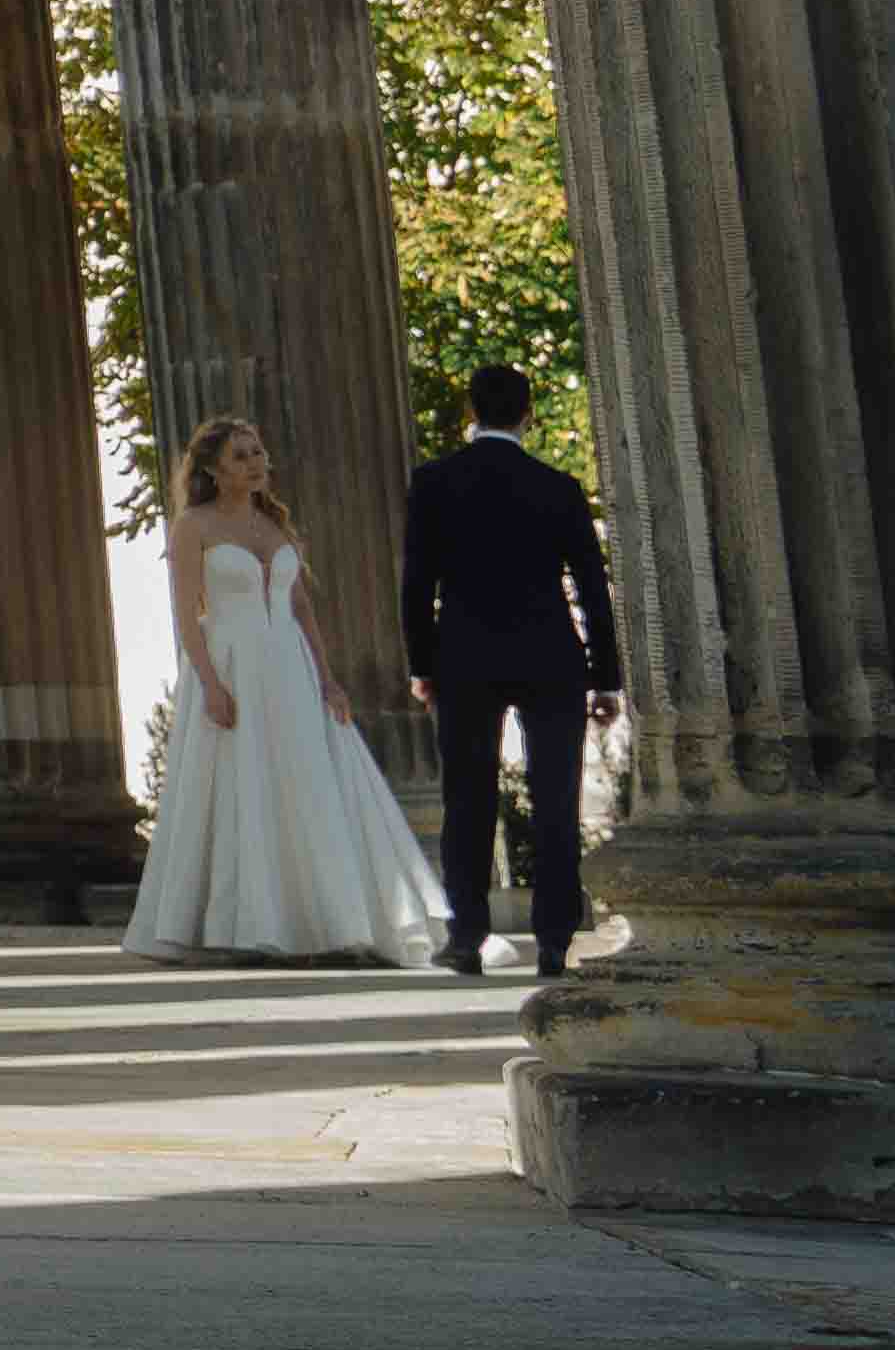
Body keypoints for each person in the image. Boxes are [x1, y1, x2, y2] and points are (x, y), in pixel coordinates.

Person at [123, 416, 442, 966]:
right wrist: (211, 686)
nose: (256, 463)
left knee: (307, 783)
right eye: (241, 455)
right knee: (243, 785)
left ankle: (326, 923)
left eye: (258, 452)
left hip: (290, 668)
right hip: (232, 664)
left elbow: (300, 608)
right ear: (213, 469)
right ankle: (242, 925)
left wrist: (328, 680)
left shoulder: (274, 523)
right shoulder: (193, 526)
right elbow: (186, 617)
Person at [399, 362, 621, 979]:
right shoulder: (559, 487)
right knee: (556, 799)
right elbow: (592, 589)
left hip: (464, 656)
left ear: (470, 412)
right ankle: (553, 940)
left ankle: (467, 935)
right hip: (550, 656)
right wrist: (606, 676)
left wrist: (422, 664)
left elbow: (417, 584)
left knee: (467, 798)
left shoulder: (434, 483)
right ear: (529, 414)